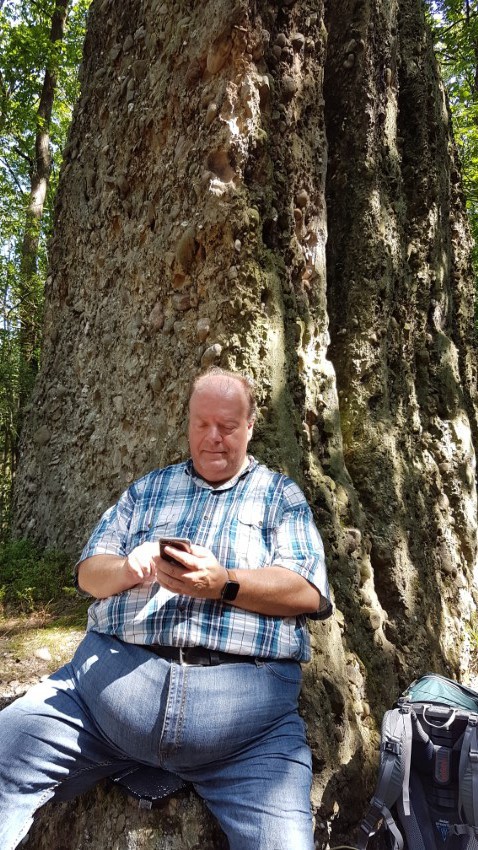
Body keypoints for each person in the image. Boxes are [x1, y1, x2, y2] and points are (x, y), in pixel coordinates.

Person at [0, 366, 332, 850]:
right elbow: (88, 574)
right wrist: (126, 568)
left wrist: (225, 584)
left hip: (247, 735)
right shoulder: (145, 490)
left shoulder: (280, 497)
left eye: (227, 426)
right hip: (99, 701)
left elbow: (308, 592)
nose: (213, 437)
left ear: (250, 427)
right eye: (202, 424)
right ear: (188, 423)